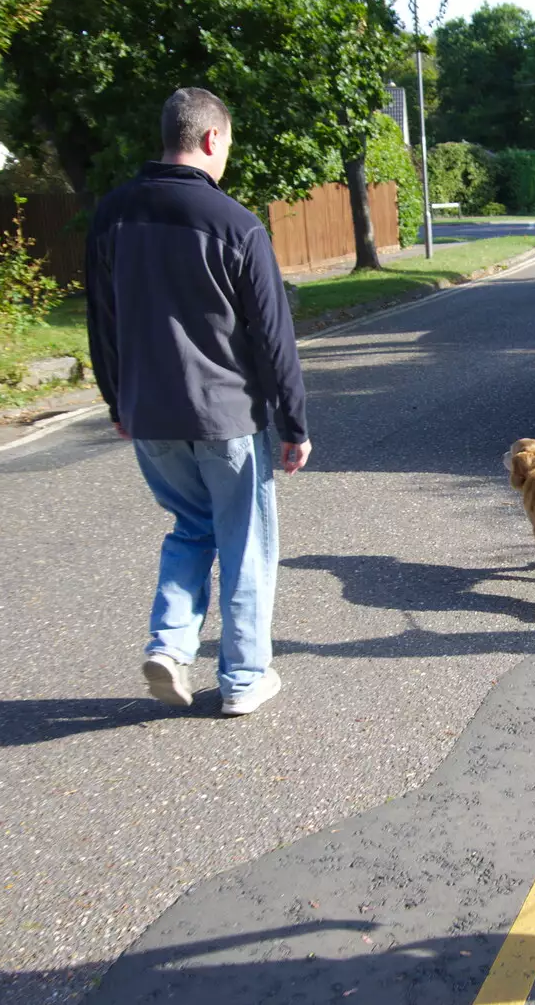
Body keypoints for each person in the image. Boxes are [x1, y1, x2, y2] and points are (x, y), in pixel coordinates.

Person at [86, 87, 311, 717]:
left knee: (191, 528)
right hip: (227, 418)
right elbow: (273, 337)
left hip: (149, 413)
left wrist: (115, 401)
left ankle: (171, 643)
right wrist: (294, 422)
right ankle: (243, 679)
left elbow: (102, 322)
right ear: (212, 140)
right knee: (245, 544)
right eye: (228, 145)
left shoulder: (112, 215)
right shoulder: (236, 224)